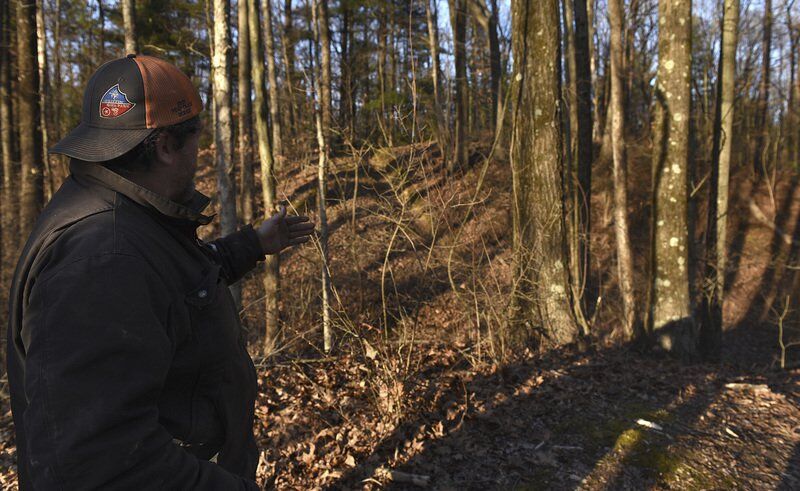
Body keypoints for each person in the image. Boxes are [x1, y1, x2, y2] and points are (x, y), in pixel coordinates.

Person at [6, 54, 314, 489]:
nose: (199, 153)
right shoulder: (100, 258)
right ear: (167, 146)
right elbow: (101, 465)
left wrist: (253, 244)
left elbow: (178, 288)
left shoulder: (125, 216)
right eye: (197, 140)